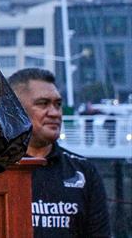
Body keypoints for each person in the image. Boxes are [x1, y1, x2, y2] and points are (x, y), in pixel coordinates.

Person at [8, 68, 110, 237]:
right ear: (16, 109)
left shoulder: (84, 171)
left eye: (58, 104)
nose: (55, 113)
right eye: (43, 104)